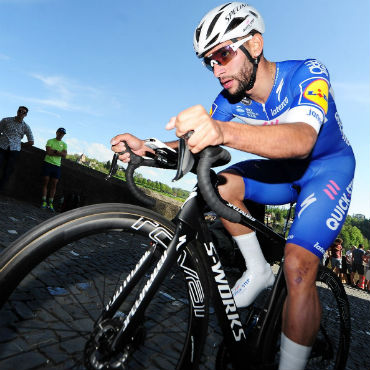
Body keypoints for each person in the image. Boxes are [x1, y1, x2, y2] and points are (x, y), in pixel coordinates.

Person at [110, 3, 355, 369]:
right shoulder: (229, 97)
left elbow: (303, 139)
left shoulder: (308, 73)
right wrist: (148, 148)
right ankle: (256, 269)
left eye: (223, 53)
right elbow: (198, 141)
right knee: (218, 183)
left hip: (327, 170)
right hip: (282, 171)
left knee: (298, 266)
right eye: (209, 61)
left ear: (254, 45)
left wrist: (223, 131)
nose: (216, 70)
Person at [0, 106, 34, 190]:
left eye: (23, 112)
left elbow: (31, 141)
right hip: (2, 146)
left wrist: (19, 145)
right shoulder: (6, 120)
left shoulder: (26, 126)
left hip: (15, 150)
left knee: (8, 170)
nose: (21, 113)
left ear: (26, 115)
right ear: (17, 111)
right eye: (20, 111)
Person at [41, 128, 67, 211]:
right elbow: (48, 152)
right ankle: (44, 201)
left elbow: (64, 155)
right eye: (60, 132)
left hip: (57, 166)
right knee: (45, 182)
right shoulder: (50, 141)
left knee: (54, 184)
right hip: (48, 163)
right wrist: (59, 153)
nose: (61, 134)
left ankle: (50, 203)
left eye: (62, 133)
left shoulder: (64, 144)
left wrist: (55, 151)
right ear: (56, 132)